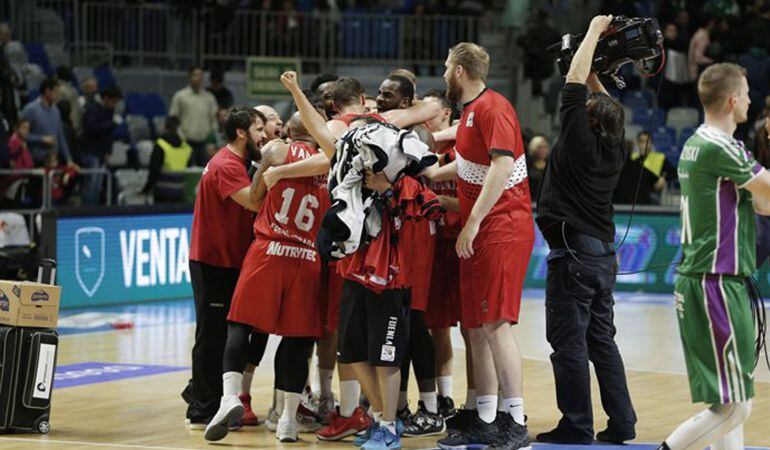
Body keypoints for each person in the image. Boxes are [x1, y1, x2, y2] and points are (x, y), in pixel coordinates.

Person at [535, 15, 636, 445]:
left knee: (568, 344)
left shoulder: (578, 138)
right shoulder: (613, 146)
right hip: (601, 258)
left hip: (573, 257)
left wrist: (594, 32)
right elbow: (603, 106)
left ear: (589, 121)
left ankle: (575, 426)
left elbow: (575, 88)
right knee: (602, 343)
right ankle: (622, 424)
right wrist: (597, 74)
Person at [658, 62, 770, 450]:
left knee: (727, 401)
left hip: (710, 280)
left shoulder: (697, 142)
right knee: (735, 409)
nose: (752, 101)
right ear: (732, 99)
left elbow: (762, 205)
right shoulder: (719, 146)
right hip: (715, 283)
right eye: (747, 94)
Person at [204, 112, 327, 443]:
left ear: (289, 131)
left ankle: (231, 396)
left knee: (239, 325)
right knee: (298, 341)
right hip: (307, 255)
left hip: (270, 250)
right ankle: (287, 419)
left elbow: (255, 201)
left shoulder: (275, 151)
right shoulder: (331, 162)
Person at [435, 41, 533, 450]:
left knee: (495, 325)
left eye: (445, 67)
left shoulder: (494, 107)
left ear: (459, 70)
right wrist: (432, 175)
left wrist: (471, 223)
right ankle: (487, 417)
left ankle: (515, 420)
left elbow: (503, 164)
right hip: (482, 230)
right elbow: (471, 163)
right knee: (475, 327)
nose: (443, 74)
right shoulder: (471, 113)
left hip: (501, 227)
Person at [182, 106, 268, 430]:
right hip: (213, 261)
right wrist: (274, 170)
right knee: (211, 334)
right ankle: (201, 407)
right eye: (259, 130)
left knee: (229, 332)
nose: (264, 137)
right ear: (242, 132)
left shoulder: (241, 163)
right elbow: (253, 201)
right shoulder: (227, 164)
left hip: (232, 259)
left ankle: (204, 394)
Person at [421, 89, 464, 420]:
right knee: (428, 327)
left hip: (458, 246)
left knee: (457, 329)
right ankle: (428, 398)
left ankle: (449, 397)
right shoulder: (418, 146)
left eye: (430, 112)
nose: (423, 117)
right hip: (427, 246)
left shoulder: (463, 142)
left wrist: (443, 203)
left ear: (447, 114)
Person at [79, 86, 122, 205]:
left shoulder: (109, 112)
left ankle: (95, 210)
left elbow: (108, 135)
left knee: (98, 185)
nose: (114, 105)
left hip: (101, 153)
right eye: (114, 101)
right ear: (106, 98)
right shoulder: (92, 109)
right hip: (90, 151)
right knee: (92, 184)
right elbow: (93, 128)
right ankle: (87, 211)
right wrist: (111, 124)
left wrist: (108, 151)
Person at [21, 77, 77, 168]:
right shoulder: (31, 110)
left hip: (53, 160)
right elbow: (20, 136)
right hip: (35, 160)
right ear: (47, 91)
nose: (58, 95)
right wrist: (41, 139)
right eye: (56, 92)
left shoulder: (56, 111)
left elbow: (60, 136)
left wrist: (68, 159)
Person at [169, 67, 218, 166]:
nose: (199, 78)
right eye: (196, 75)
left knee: (204, 174)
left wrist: (212, 141)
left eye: (201, 76)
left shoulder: (209, 98)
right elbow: (173, 119)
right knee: (187, 172)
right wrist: (180, 136)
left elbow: (214, 120)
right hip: (186, 142)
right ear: (190, 77)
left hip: (204, 144)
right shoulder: (180, 96)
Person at [142, 116, 193, 203]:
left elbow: (154, 171)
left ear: (165, 127)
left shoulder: (160, 145)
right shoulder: (187, 148)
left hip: (162, 193)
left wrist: (146, 190)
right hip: (179, 191)